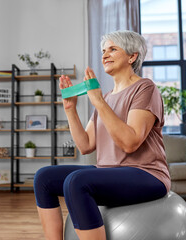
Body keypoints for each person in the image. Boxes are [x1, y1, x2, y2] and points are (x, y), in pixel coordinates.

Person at [34, 30, 171, 240]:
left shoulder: (145, 88)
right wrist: (70, 109)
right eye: (103, 51)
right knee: (43, 177)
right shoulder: (105, 97)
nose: (105, 55)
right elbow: (86, 144)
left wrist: (97, 101)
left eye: (113, 49)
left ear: (132, 56)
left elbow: (130, 142)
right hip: (110, 171)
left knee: (76, 181)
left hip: (147, 174)